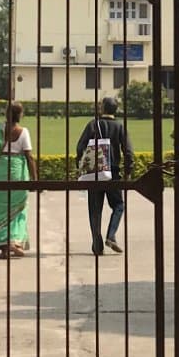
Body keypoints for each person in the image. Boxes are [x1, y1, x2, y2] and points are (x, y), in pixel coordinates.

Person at [75, 97, 134, 255]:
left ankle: (97, 243)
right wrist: (128, 171)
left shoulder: (93, 125)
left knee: (95, 209)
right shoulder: (120, 127)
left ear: (102, 108)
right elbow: (128, 152)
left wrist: (79, 165)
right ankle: (111, 235)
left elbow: (80, 147)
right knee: (119, 205)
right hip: (113, 173)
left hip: (94, 172)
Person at [0, 102, 33, 257]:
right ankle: (14, 241)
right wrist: (35, 179)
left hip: (1, 172)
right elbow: (29, 157)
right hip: (18, 172)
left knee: (1, 208)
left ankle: (4, 246)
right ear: (20, 115)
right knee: (18, 208)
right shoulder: (23, 132)